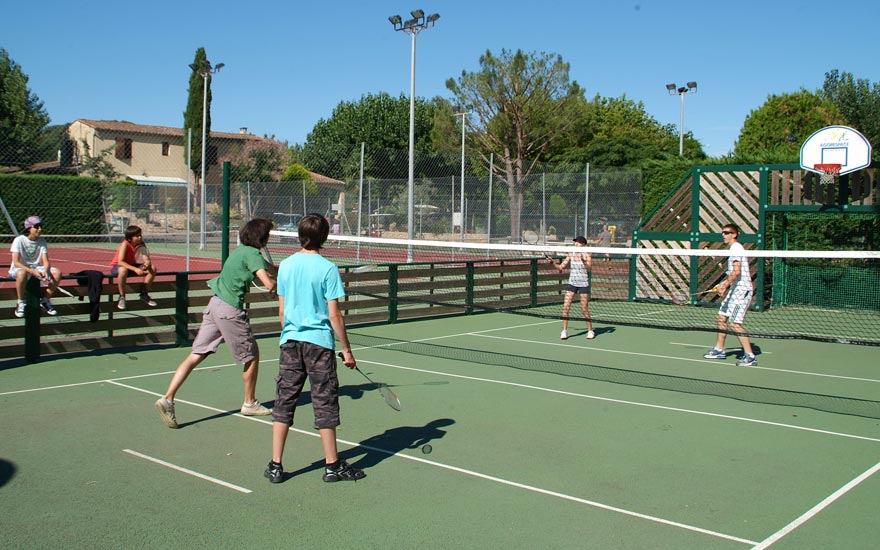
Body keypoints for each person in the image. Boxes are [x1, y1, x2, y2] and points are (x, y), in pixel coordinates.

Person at [264, 213, 365, 484]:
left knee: (284, 401)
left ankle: (276, 465)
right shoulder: (328, 269)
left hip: (290, 342)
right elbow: (334, 316)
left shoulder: (285, 266)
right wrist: (347, 350)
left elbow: (282, 311)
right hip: (319, 345)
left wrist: (290, 333)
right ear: (324, 237)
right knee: (325, 401)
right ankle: (332, 465)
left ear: (300, 235)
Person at [155, 218, 277, 428]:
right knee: (252, 355)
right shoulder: (253, 254)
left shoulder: (240, 252)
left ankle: (167, 398)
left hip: (214, 305)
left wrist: (288, 272)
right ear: (262, 237)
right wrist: (277, 286)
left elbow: (270, 268)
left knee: (196, 355)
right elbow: (267, 283)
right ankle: (249, 403)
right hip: (230, 311)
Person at [703, 223, 757, 367]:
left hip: (742, 290)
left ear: (734, 234)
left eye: (727, 232)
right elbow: (733, 274)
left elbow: (737, 271)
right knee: (721, 317)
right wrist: (722, 285)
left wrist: (724, 285)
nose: (724, 235)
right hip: (735, 289)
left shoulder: (736, 248)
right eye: (723, 232)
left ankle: (750, 356)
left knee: (734, 323)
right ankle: (719, 350)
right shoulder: (733, 249)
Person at [9, 216, 61, 317]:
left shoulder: (42, 241)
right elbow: (16, 262)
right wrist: (33, 272)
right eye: (37, 226)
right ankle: (20, 302)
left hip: (35, 268)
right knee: (22, 273)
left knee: (57, 272)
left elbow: (46, 261)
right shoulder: (19, 240)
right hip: (20, 269)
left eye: (41, 226)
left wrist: (46, 270)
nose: (40, 229)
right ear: (29, 228)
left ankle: (45, 300)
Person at [551, 236, 595, 340]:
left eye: (578, 242)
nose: (576, 244)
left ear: (583, 244)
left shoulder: (587, 254)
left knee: (584, 308)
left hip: (583, 284)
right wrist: (553, 263)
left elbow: (589, 268)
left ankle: (590, 331)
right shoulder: (571, 254)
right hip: (572, 283)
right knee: (566, 307)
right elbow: (561, 267)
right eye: (575, 242)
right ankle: (564, 331)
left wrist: (583, 260)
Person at [109, 225, 158, 309]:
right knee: (123, 270)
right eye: (137, 236)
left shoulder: (141, 244)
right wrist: (136, 269)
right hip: (118, 266)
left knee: (153, 268)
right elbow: (121, 262)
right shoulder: (125, 244)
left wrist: (147, 264)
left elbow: (146, 259)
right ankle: (122, 297)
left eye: (140, 235)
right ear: (130, 238)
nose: (140, 237)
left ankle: (144, 293)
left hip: (131, 265)